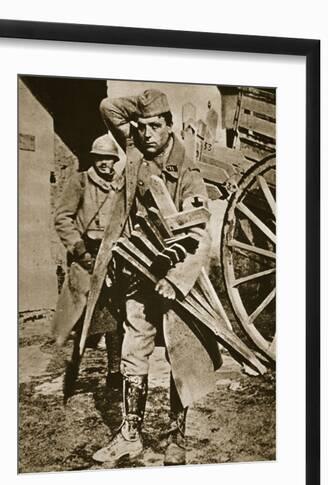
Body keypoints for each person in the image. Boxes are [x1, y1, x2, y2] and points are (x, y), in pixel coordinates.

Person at [85, 89, 221, 465]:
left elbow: (199, 234)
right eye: (141, 127)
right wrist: (146, 103)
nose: (146, 134)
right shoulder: (133, 151)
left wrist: (176, 279)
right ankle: (130, 434)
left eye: (155, 126)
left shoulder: (188, 172)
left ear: (169, 126)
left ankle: (176, 435)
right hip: (137, 271)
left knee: (182, 352)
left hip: (177, 278)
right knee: (133, 351)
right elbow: (107, 105)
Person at [54, 134, 124, 389]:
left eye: (110, 158)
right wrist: (80, 251)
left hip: (111, 255)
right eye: (101, 158)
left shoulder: (118, 184)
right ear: (94, 159)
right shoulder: (80, 181)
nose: (106, 163)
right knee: (80, 315)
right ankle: (72, 370)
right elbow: (63, 218)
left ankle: (114, 371)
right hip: (86, 253)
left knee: (114, 314)